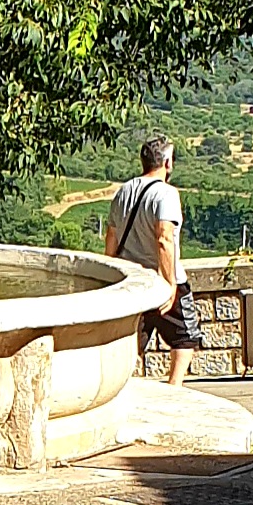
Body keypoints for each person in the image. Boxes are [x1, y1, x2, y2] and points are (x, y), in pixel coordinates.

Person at [105, 136, 202, 386]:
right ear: (167, 163)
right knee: (185, 337)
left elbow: (112, 236)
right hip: (161, 278)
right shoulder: (166, 194)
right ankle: (174, 389)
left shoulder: (123, 191)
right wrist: (170, 284)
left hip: (132, 279)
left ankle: (122, 387)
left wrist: (111, 275)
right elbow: (164, 239)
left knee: (130, 341)